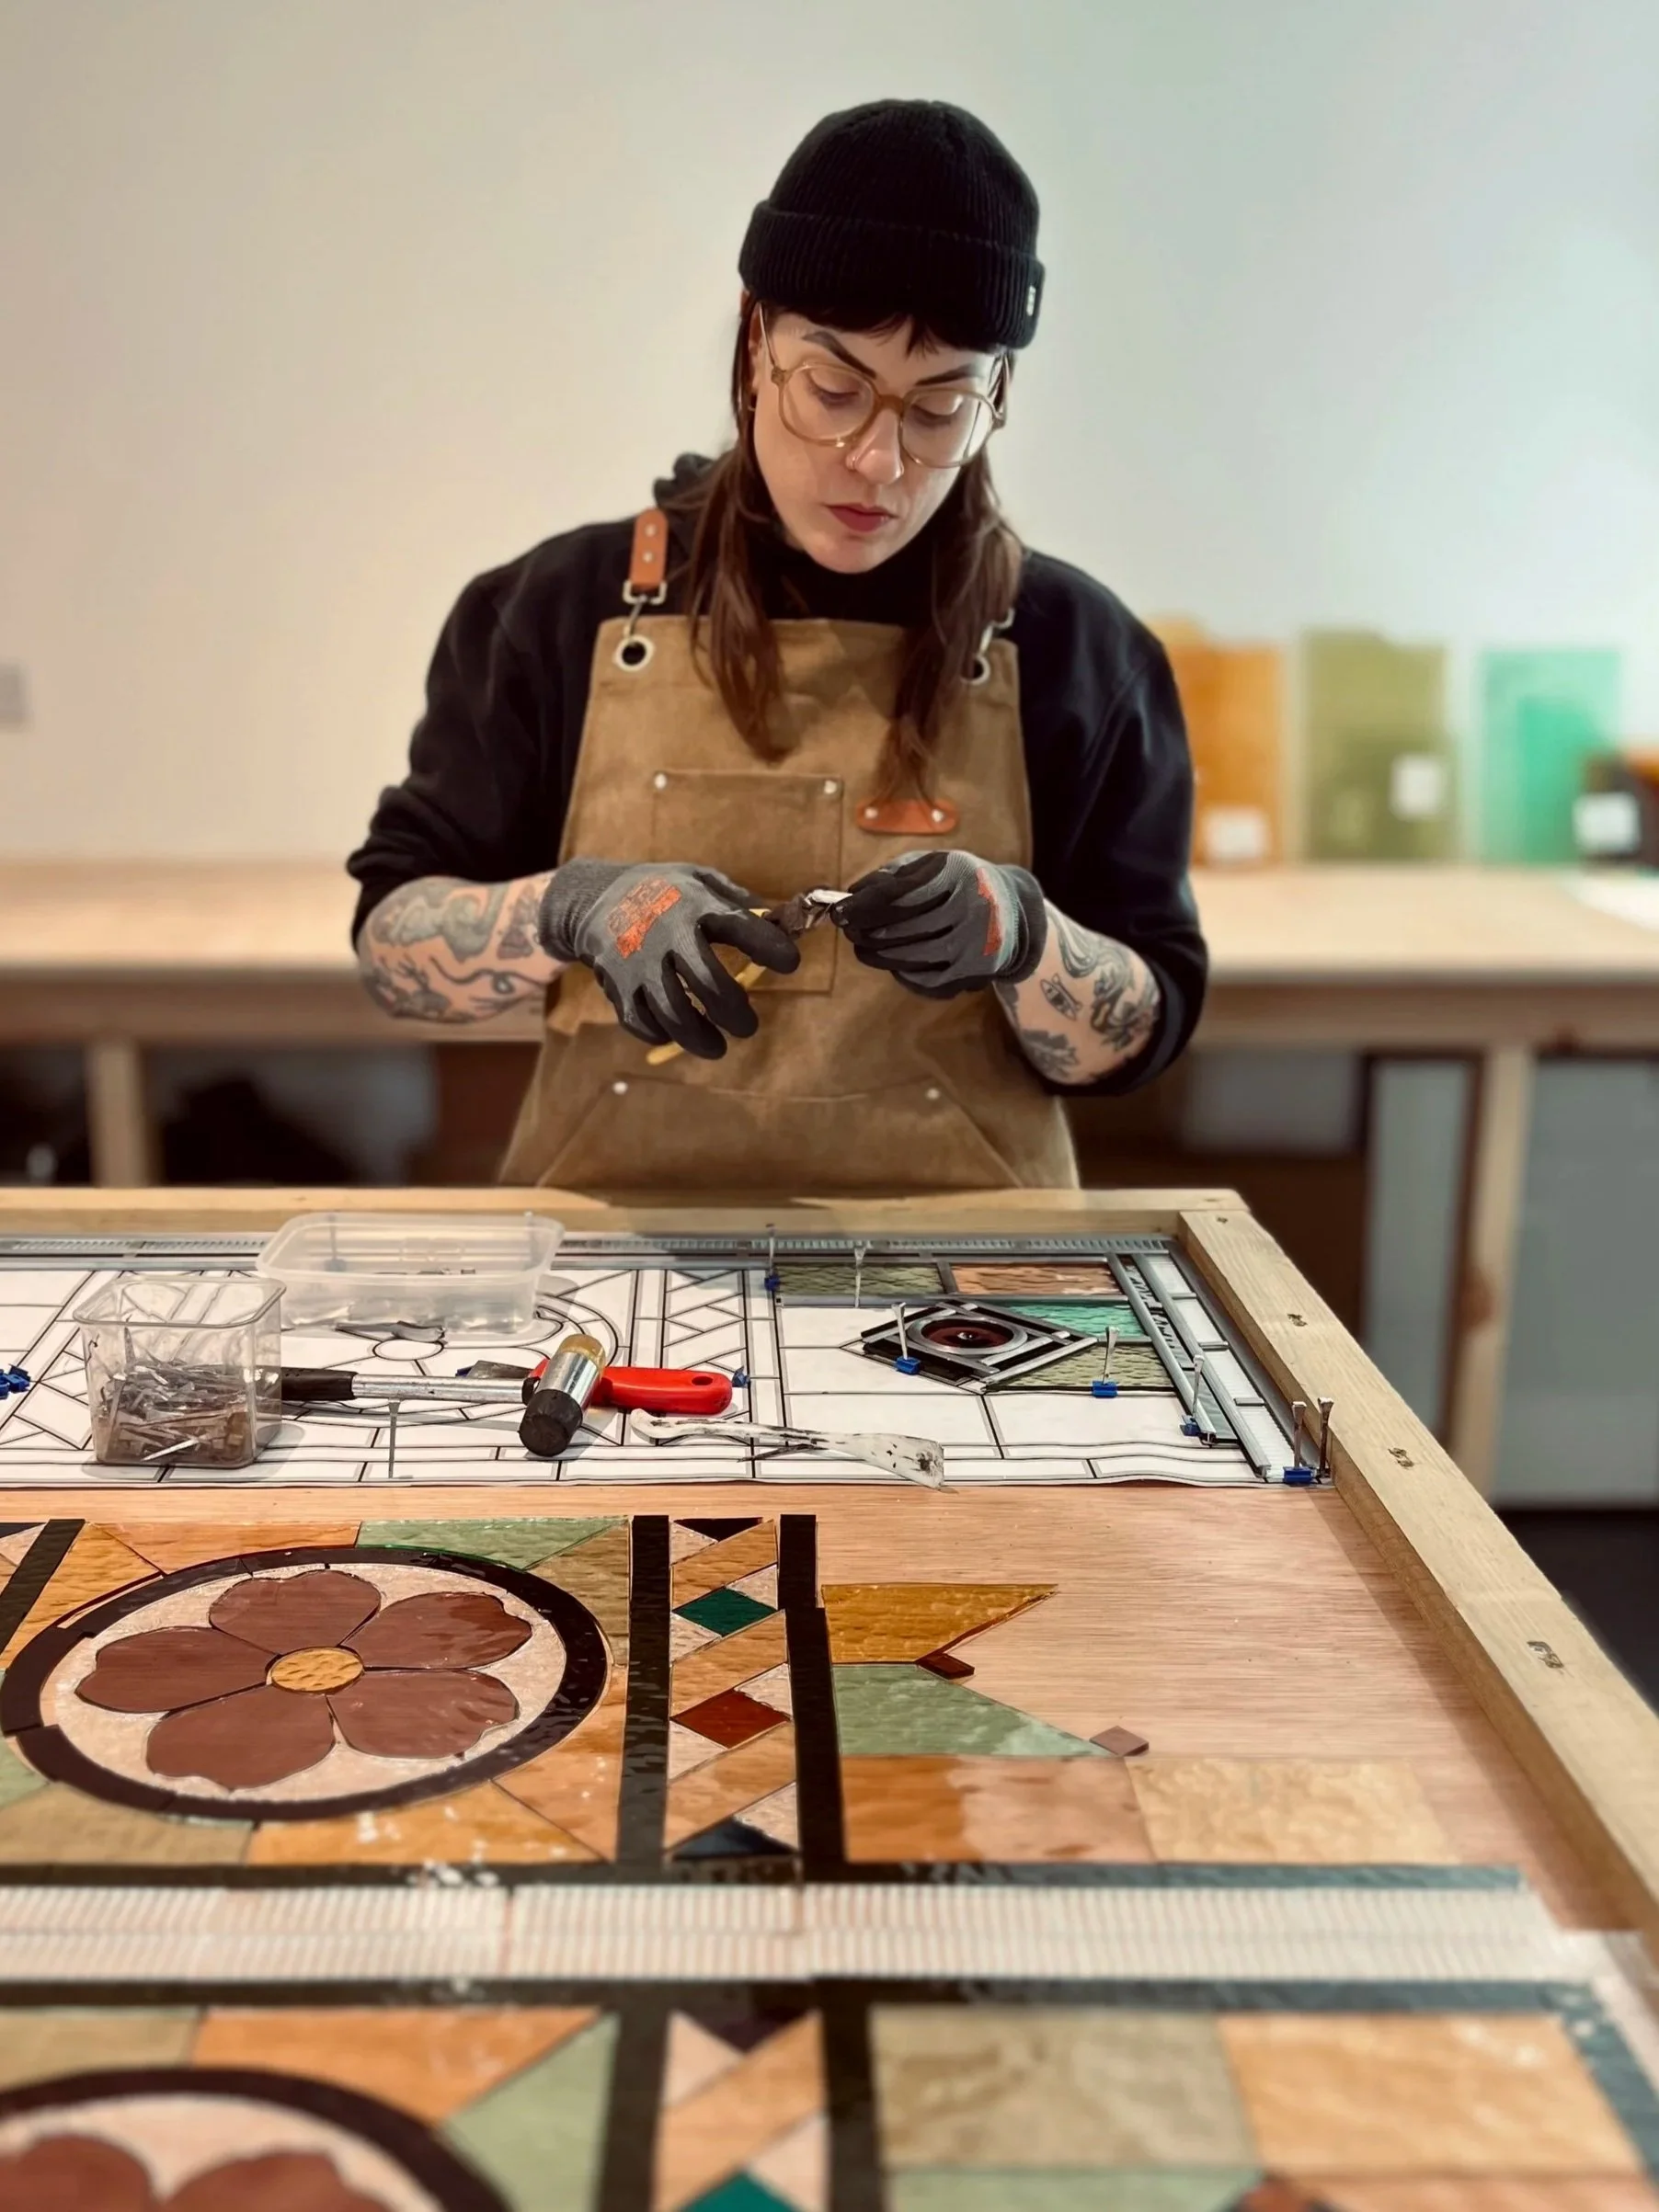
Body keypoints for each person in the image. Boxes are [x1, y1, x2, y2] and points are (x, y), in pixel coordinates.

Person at [349, 99, 1207, 1193]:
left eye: (939, 408)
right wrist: (572, 909)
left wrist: (1024, 939)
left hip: (962, 1266)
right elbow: (392, 951)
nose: (878, 462)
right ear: (754, 344)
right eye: (834, 390)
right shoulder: (556, 611)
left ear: (999, 395)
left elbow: (1140, 1033)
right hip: (620, 1255)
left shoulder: (1080, 652)